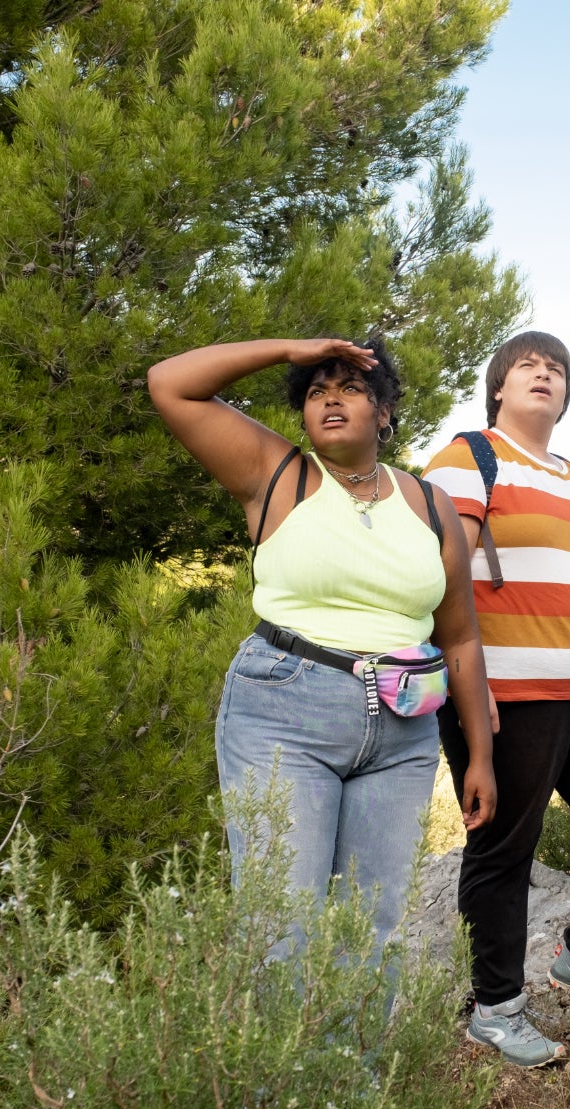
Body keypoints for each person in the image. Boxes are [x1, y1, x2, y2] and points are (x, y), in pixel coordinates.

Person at [146, 336, 497, 960]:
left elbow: (461, 636)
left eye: (352, 389)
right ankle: (281, 1063)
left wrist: (480, 757)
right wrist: (288, 349)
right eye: (316, 392)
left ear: (384, 412)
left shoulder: (429, 504)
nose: (331, 400)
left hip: (403, 727)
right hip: (285, 711)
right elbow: (170, 382)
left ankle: (356, 1063)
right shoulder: (276, 475)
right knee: (282, 927)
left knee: (371, 931)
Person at [423, 330, 570, 1068]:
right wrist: (468, 692)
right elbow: (445, 575)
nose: (544, 374)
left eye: (557, 368)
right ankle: (495, 1008)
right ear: (499, 385)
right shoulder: (468, 457)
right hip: (510, 690)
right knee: (504, 849)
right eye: (529, 364)